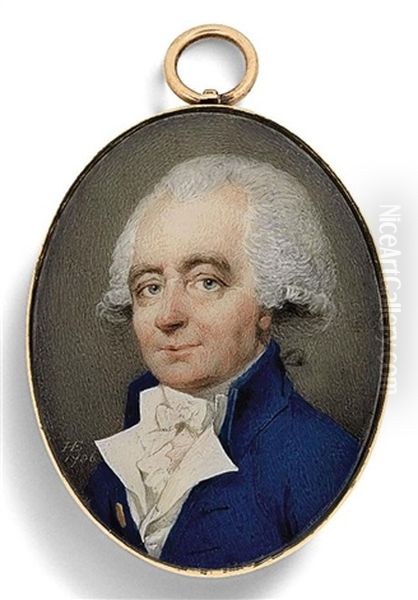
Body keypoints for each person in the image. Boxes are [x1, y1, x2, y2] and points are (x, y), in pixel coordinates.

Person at [86, 154, 360, 570]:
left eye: (207, 282)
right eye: (150, 287)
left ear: (268, 300)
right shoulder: (118, 460)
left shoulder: (323, 460)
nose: (168, 316)